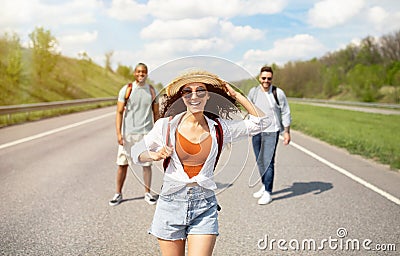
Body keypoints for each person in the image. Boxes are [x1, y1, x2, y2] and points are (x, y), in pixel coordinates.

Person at [130, 70, 271, 255]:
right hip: (170, 204)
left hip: (204, 206)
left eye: (200, 91)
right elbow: (135, 152)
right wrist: (152, 156)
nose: (194, 96)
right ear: (182, 97)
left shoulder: (220, 128)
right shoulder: (165, 126)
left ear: (208, 96)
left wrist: (237, 95)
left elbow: (262, 122)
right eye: (187, 91)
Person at [109, 63, 159, 206]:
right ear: (134, 73)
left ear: (147, 73)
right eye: (138, 72)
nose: (141, 74)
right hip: (128, 135)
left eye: (143, 72)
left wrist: (156, 133)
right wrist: (119, 133)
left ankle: (147, 193)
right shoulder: (127, 90)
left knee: (146, 165)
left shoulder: (152, 91)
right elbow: (119, 112)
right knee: (122, 164)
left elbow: (156, 113)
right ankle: (118, 193)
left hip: (146, 134)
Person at [248, 65, 292, 205]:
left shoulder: (278, 93)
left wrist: (287, 132)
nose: (266, 81)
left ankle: (268, 192)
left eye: (269, 78)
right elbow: (249, 109)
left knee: (268, 162)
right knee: (260, 161)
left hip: (272, 132)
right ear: (259, 78)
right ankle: (264, 185)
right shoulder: (254, 92)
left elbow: (286, 112)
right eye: (263, 78)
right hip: (257, 131)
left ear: (272, 79)